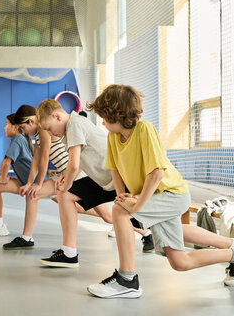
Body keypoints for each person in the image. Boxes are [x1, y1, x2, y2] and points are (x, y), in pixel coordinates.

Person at [86, 84, 234, 298]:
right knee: (180, 262)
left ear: (119, 114)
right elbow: (115, 169)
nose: (101, 122)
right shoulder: (113, 137)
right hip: (155, 196)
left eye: (104, 116)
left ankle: (127, 279)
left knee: (120, 212)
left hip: (171, 194)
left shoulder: (144, 129)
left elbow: (157, 173)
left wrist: (136, 205)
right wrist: (122, 195)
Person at [35, 99, 153, 268]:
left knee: (66, 193)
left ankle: (149, 233)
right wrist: (65, 178)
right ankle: (69, 253)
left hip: (120, 178)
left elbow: (74, 164)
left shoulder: (74, 124)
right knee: (67, 197)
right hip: (104, 179)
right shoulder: (70, 129)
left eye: (49, 128)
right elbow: (75, 163)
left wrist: (66, 184)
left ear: (57, 116)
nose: (50, 133)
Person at [0, 105, 115, 250]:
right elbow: (36, 158)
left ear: (30, 122)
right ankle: (27, 238)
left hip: (77, 173)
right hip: (64, 173)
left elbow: (44, 158)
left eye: (22, 129)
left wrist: (39, 183)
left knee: (107, 216)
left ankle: (144, 231)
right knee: (33, 195)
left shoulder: (43, 129)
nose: (23, 133)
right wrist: (30, 183)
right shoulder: (37, 133)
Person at [0, 113, 33, 238]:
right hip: (25, 181)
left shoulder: (18, 139)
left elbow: (6, 163)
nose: (4, 127)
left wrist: (2, 178)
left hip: (33, 182)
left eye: (7, 124)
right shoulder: (19, 139)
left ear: (15, 127)